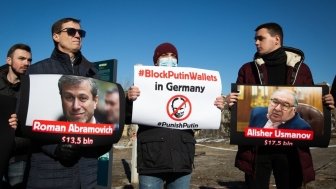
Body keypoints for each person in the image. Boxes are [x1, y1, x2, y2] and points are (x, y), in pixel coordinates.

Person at [225, 23, 335, 189]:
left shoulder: (302, 70)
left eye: (260, 38)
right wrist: (230, 103)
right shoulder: (247, 70)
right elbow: (238, 106)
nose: (256, 42)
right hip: (257, 152)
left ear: (276, 39)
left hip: (291, 153)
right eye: (255, 39)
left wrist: (327, 103)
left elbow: (316, 100)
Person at [126, 42, 225, 189]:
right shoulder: (142, 85)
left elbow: (202, 112)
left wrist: (216, 106)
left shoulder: (191, 84)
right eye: (164, 55)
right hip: (152, 159)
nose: (169, 59)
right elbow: (127, 117)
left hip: (182, 158)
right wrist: (128, 100)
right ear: (156, 61)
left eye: (173, 56)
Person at [27, 17, 110, 189]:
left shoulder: (93, 73)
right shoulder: (37, 72)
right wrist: (55, 149)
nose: (78, 35)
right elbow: (27, 125)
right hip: (50, 171)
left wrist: (100, 145)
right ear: (56, 36)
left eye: (81, 32)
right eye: (71, 31)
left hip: (87, 172)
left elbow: (102, 120)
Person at [0, 43, 32, 188]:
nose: (26, 63)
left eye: (29, 60)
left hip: (19, 156)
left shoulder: (32, 87)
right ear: (9, 60)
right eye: (21, 58)